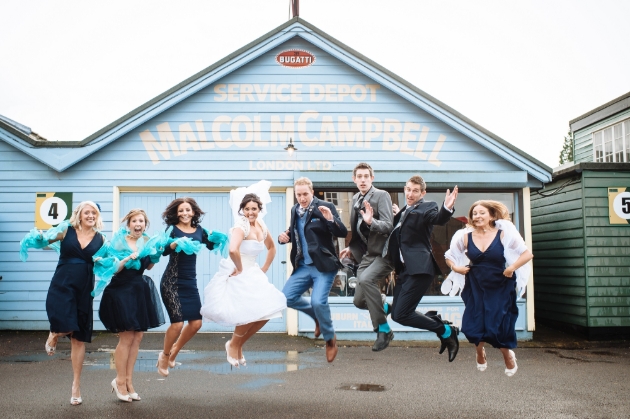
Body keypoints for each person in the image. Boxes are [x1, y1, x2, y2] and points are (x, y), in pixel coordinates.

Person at [19, 201, 106, 405]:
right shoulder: (66, 231)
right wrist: (39, 237)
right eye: (87, 212)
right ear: (79, 214)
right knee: (63, 321)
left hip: (85, 289)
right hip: (63, 284)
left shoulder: (101, 239)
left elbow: (108, 260)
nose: (91, 215)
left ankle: (76, 385)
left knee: (79, 338)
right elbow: (45, 240)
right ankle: (55, 333)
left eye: (94, 212)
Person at [200, 181, 287, 367]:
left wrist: (265, 267)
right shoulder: (241, 226)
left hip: (254, 272)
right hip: (239, 272)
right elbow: (233, 249)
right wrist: (239, 268)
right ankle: (234, 345)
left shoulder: (262, 226)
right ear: (242, 210)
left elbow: (271, 248)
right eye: (247, 209)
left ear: (259, 209)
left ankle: (236, 344)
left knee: (267, 313)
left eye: (254, 209)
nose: (250, 212)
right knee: (247, 312)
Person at [442, 200, 533, 377]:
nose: (477, 216)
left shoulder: (503, 234)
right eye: (474, 213)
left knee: (497, 325)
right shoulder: (465, 237)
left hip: (501, 283)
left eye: (482, 212)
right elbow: (449, 256)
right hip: (476, 284)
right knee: (472, 325)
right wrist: (456, 268)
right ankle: (479, 351)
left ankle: (508, 356)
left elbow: (527, 253)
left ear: (492, 215)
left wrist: (511, 268)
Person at [92, 209, 166, 401]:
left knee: (137, 337)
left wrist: (155, 255)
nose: (138, 224)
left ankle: (130, 381)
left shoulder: (148, 240)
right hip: (121, 290)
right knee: (126, 337)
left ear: (145, 224)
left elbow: (148, 266)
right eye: (135, 221)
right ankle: (119, 381)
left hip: (139, 290)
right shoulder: (118, 241)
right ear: (129, 224)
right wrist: (126, 259)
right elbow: (112, 269)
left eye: (141, 221)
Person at [383, 176, 460, 362]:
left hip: (420, 269)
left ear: (422, 193)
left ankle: (446, 330)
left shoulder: (428, 207)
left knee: (401, 315)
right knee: (397, 314)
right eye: (408, 189)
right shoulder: (403, 211)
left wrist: (447, 208)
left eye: (415, 191)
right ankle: (437, 322)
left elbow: (438, 218)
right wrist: (396, 215)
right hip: (404, 271)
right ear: (404, 189)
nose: (410, 194)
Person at [279, 177, 348, 363]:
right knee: (286, 298)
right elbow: (297, 232)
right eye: (298, 194)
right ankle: (318, 318)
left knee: (318, 301)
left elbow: (342, 232)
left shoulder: (325, 206)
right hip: (303, 266)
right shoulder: (295, 209)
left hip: (323, 266)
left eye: (305, 194)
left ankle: (330, 339)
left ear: (312, 192)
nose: (302, 198)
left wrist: (330, 220)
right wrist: (284, 237)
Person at [157, 197, 228, 376]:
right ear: (176, 213)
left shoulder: (199, 230)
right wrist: (175, 243)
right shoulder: (172, 229)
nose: (184, 213)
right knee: (178, 323)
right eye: (180, 210)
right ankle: (164, 356)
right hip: (172, 281)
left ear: (194, 212)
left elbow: (212, 245)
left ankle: (175, 351)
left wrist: (219, 238)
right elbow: (164, 250)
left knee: (196, 323)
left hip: (190, 282)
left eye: (188, 210)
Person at [339, 162, 395, 351]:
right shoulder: (355, 198)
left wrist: (372, 222)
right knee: (358, 301)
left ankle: (383, 329)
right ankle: (385, 308)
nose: (363, 180)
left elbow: (388, 225)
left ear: (372, 178)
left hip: (384, 254)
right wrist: (350, 247)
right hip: (366, 255)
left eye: (366, 176)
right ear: (354, 179)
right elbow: (357, 231)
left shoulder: (382, 196)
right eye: (359, 177)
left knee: (365, 279)